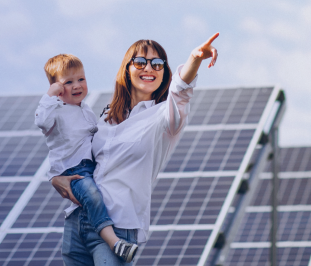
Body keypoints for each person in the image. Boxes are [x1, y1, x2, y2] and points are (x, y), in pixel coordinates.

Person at [52, 34, 219, 265]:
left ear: (164, 73)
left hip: (119, 224)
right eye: (141, 62)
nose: (149, 68)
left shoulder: (165, 118)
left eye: (157, 64)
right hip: (78, 219)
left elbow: (180, 91)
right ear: (127, 69)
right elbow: (77, 155)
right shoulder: (105, 117)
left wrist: (195, 59)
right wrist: (57, 177)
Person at [35, 54, 139, 262]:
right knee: (92, 196)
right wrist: (50, 96)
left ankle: (111, 239)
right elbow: (42, 122)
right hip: (72, 171)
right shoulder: (55, 110)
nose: (77, 86)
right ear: (56, 87)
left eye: (81, 79)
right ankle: (114, 242)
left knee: (95, 195)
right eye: (68, 82)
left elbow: (96, 136)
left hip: (88, 168)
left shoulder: (86, 110)